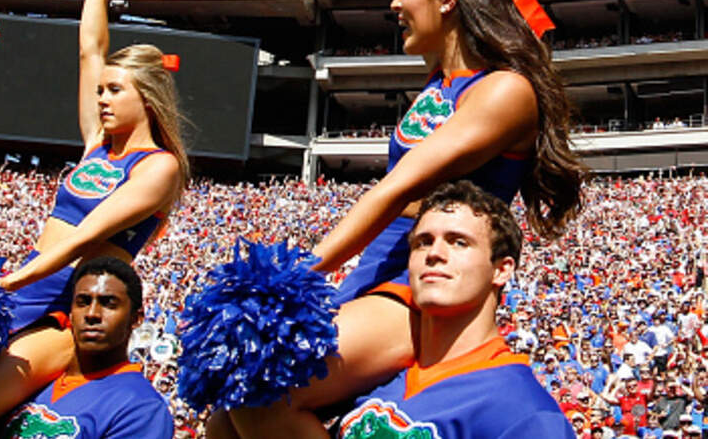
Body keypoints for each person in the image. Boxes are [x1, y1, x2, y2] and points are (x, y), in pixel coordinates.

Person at [214, 0, 586, 438]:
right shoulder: (443, 75)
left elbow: (394, 190)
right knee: (223, 420)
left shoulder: (505, 91)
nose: (394, 2)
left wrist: (293, 277)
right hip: (379, 269)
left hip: (421, 287)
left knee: (257, 385)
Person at [0, 0, 189, 434]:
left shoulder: (159, 166)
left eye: (114, 90)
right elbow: (91, 49)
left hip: (64, 302)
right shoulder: (95, 146)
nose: (101, 99)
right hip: (25, 280)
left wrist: (10, 283)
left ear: (146, 98)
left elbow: (84, 236)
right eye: (100, 91)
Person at [223, 181, 574, 438]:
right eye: (423, 242)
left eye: (458, 242)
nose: (434, 253)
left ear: (502, 270)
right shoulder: (374, 381)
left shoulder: (525, 413)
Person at [0, 257, 174, 439]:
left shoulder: (143, 409)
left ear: (137, 318)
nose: (92, 314)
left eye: (109, 304)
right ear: (71, 314)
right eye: (83, 302)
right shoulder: (32, 377)